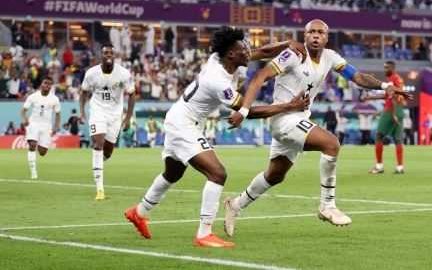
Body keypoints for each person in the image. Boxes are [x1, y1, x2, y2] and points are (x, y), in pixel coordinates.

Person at [222, 20, 412, 237]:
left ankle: (234, 205)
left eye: (320, 32)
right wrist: (245, 111)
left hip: (299, 119)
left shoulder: (330, 57)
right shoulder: (293, 55)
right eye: (311, 31)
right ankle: (327, 205)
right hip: (282, 119)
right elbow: (259, 77)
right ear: (304, 35)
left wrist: (385, 85)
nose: (315, 35)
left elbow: (358, 77)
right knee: (331, 143)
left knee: (275, 175)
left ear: (326, 37)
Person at [124, 27, 310, 248]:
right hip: (183, 125)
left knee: (172, 173)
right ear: (232, 54)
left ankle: (139, 211)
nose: (248, 51)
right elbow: (247, 111)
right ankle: (204, 233)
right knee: (217, 173)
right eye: (244, 49)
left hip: (179, 118)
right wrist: (289, 106)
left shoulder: (221, 57)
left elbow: (261, 51)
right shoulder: (219, 82)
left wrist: (286, 43)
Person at [79, 43, 136, 201]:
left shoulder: (123, 73)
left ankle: (98, 162)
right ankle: (100, 189)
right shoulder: (91, 73)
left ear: (115, 55)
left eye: (111, 53)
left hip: (114, 115)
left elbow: (132, 94)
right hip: (97, 112)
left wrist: (128, 117)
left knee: (107, 152)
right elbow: (83, 92)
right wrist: (82, 111)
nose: (109, 55)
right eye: (106, 53)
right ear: (101, 56)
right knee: (98, 143)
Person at [362, 61, 406, 174]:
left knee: (378, 136)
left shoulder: (391, 79)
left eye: (386, 68)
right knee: (397, 139)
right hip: (400, 110)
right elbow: (388, 95)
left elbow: (393, 98)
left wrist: (393, 115)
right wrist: (371, 98)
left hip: (390, 111)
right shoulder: (399, 79)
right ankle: (400, 167)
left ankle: (379, 166)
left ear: (392, 68)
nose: (384, 70)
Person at [20, 76, 61, 179]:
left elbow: (57, 114)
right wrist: (25, 119)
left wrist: (56, 126)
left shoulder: (55, 99)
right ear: (41, 84)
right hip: (33, 124)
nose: (47, 85)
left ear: (51, 86)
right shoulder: (33, 96)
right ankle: (33, 172)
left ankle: (38, 142)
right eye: (45, 83)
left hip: (46, 127)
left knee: (42, 152)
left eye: (49, 84)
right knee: (32, 145)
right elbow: (23, 111)